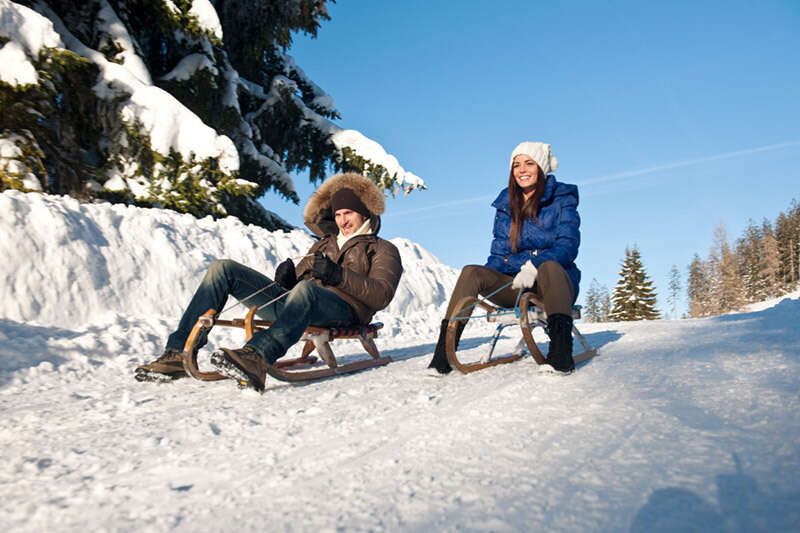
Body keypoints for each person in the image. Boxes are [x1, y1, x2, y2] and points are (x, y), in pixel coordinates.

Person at [136, 172, 403, 390]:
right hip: (304, 302)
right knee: (223, 269)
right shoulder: (324, 245)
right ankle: (177, 353)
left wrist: (338, 275)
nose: (343, 220)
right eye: (337, 214)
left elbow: (381, 294)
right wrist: (286, 281)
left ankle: (257, 356)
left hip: (345, 311)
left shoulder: (382, 249)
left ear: (364, 213)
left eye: (349, 213)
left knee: (306, 290)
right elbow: (297, 288)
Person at [427, 141, 581, 375]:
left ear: (541, 167)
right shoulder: (506, 205)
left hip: (555, 284)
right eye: (516, 165)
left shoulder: (562, 199)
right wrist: (491, 279)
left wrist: (533, 265)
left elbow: (567, 247)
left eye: (529, 163)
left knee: (550, 266)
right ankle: (443, 354)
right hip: (517, 285)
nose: (522, 170)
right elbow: (499, 255)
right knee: (472, 271)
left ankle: (561, 354)